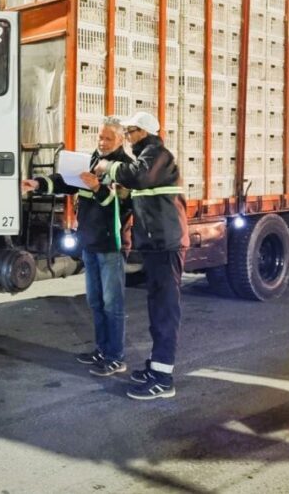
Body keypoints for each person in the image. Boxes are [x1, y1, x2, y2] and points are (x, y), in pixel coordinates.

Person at [21, 118, 133, 377]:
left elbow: (122, 207)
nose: (102, 142)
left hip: (111, 244)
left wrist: (97, 188)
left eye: (108, 139)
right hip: (90, 242)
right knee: (95, 301)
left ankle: (116, 357)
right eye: (100, 137)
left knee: (112, 304)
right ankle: (102, 350)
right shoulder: (93, 160)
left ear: (120, 141)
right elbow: (66, 182)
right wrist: (37, 184)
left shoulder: (125, 168)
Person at [94, 111, 188, 400]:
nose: (128, 136)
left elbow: (139, 177)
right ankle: (155, 368)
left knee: (164, 312)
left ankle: (163, 380)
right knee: (157, 308)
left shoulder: (158, 154)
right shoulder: (147, 156)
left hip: (166, 245)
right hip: (156, 246)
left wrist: (108, 169)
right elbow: (136, 192)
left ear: (143, 132)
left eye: (131, 131)